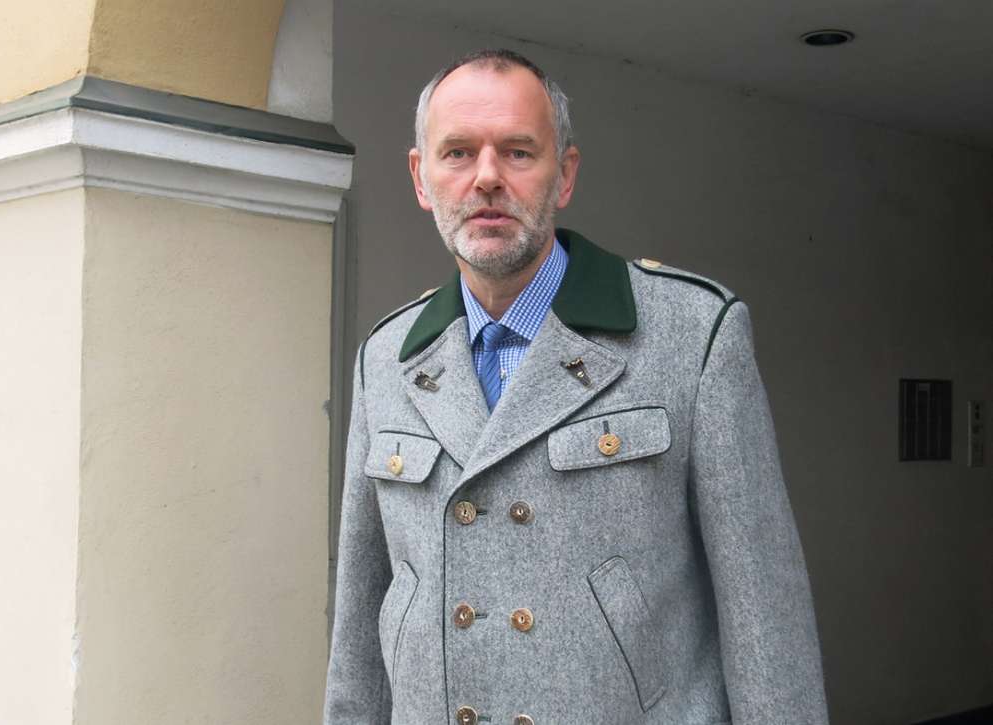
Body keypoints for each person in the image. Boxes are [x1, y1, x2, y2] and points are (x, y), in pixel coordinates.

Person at [322, 49, 828, 725]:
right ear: (421, 177)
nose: (487, 177)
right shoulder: (386, 358)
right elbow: (359, 632)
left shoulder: (692, 334)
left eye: (518, 152)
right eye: (458, 153)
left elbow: (766, 621)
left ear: (564, 174)